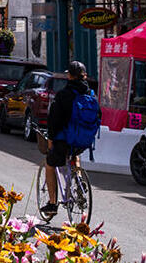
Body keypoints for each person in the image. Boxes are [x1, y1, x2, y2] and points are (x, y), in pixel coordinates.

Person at [41, 61, 100, 219]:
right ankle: (79, 179)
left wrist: (51, 139)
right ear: (84, 75)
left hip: (63, 139)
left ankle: (52, 204)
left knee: (50, 164)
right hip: (83, 140)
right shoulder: (90, 94)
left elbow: (54, 120)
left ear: (69, 76)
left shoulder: (64, 95)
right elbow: (97, 116)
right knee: (74, 155)